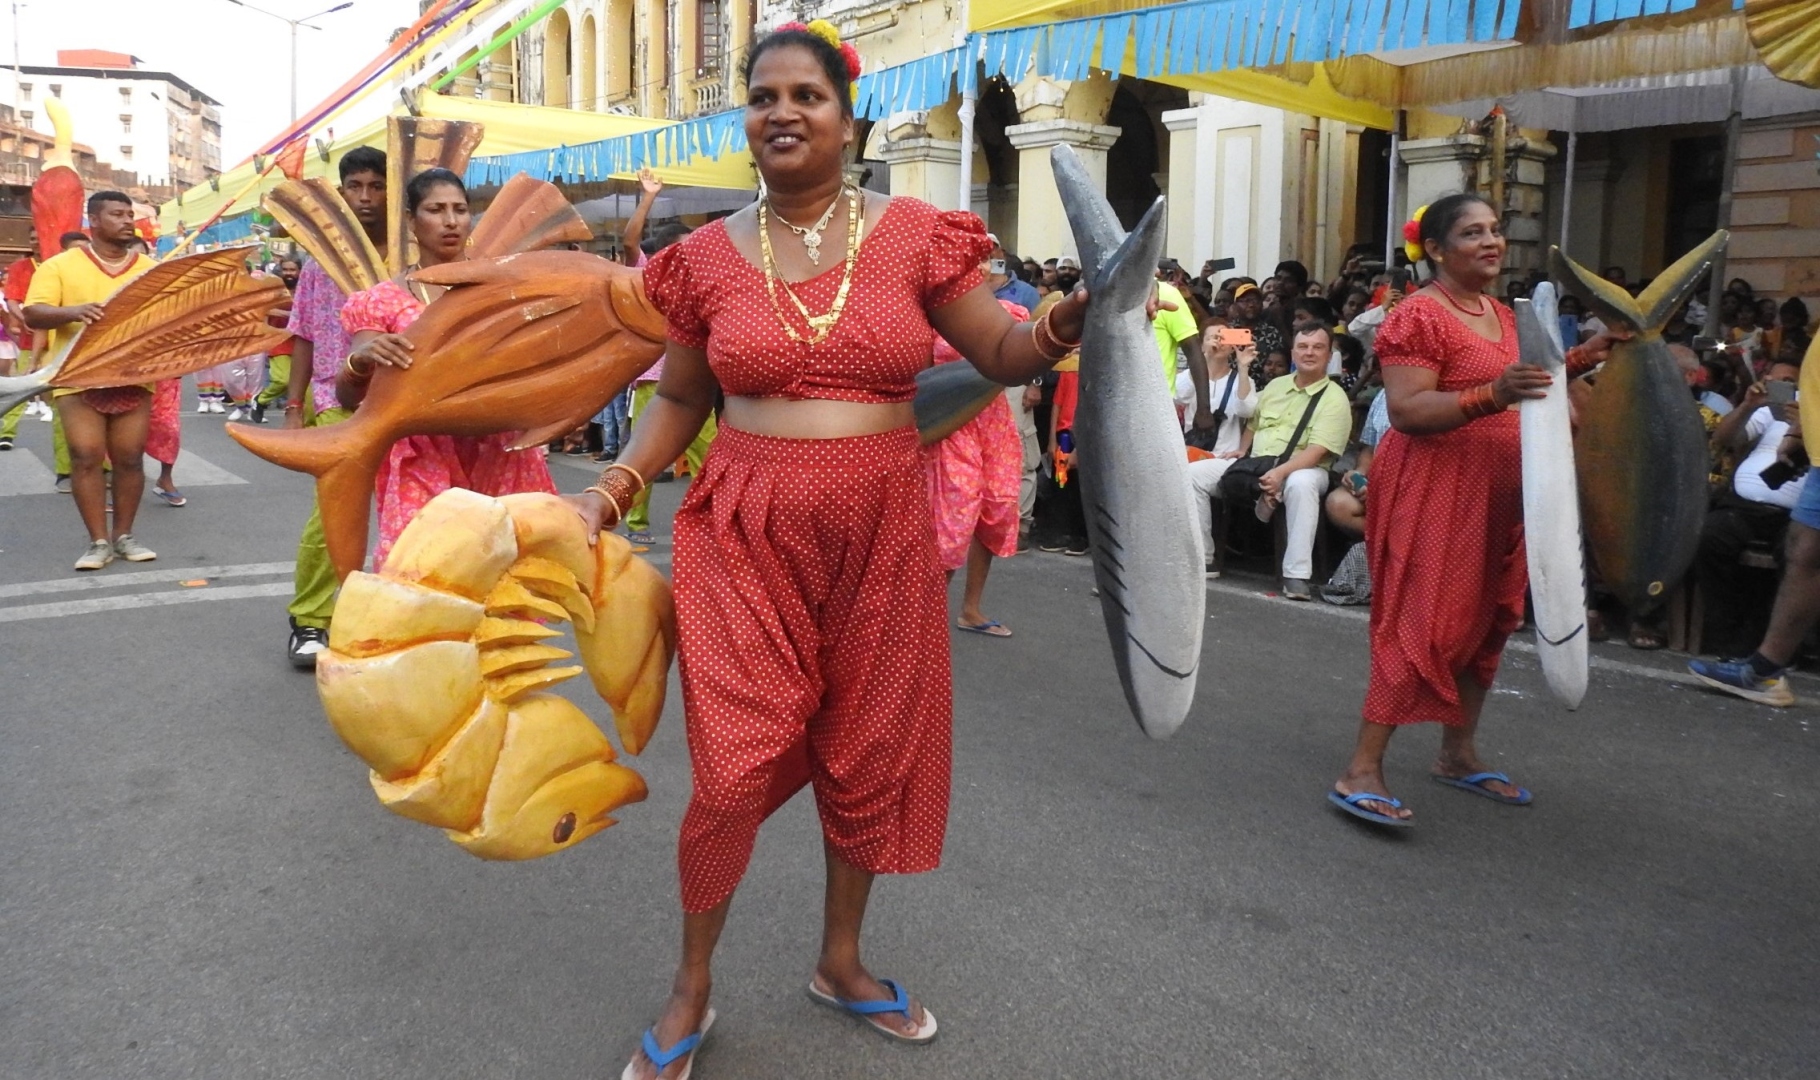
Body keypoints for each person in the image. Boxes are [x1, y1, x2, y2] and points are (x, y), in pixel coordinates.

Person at [559, 23, 1086, 1078]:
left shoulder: (913, 236)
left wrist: (1063, 326)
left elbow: (994, 352)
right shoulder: (701, 260)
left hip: (884, 527)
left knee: (866, 748)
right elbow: (677, 397)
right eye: (763, 96)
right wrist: (611, 491)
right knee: (730, 768)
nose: (782, 112)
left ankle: (839, 961)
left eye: (806, 94)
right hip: (744, 529)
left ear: (847, 118)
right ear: (744, 117)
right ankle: (690, 988)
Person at [1330, 194, 1619, 825]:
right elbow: (1408, 410)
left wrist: (1582, 358)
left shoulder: (1503, 313)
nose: (1491, 242)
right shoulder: (1416, 317)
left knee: (1491, 621)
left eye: (1494, 230)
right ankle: (1362, 768)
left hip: (1506, 492)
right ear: (1435, 249)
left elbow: (1531, 379)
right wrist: (1491, 396)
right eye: (1472, 233)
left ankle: (1457, 755)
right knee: (1421, 624)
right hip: (1436, 489)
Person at [337, 168, 558, 570]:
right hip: (420, 453)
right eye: (436, 210)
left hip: (499, 449)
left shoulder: (501, 290)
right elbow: (349, 395)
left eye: (459, 209)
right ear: (411, 221)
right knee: (423, 573)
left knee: (506, 578)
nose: (451, 220)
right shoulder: (382, 301)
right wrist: (363, 360)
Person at [282, 145, 387, 667]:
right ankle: (310, 618)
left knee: (411, 512)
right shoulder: (318, 260)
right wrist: (294, 405)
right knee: (332, 515)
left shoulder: (410, 257)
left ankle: (399, 621)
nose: (366, 197)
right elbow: (302, 332)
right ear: (342, 193)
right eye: (356, 187)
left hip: (406, 402)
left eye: (376, 185)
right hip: (335, 398)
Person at [23, 191, 159, 570]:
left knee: (130, 459)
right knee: (85, 457)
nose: (127, 220)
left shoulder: (149, 268)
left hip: (134, 375)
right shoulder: (60, 266)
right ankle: (98, 541)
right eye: (117, 214)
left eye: (130, 214)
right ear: (94, 221)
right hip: (78, 375)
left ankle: (125, 536)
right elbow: (34, 313)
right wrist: (75, 312)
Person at [1219, 322, 1351, 599]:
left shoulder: (1335, 398)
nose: (1309, 353)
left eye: (1318, 347)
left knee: (1300, 483)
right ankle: (1204, 557)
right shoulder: (1276, 385)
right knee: (1195, 473)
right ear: (1293, 352)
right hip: (1261, 461)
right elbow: (1253, 423)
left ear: (1329, 355)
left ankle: (1296, 575)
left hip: (1308, 468)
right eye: (1303, 346)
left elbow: (1317, 451)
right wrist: (1242, 451)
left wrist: (1280, 473)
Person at [926, 297, 1030, 636]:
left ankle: (971, 609)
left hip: (993, 423)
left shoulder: (1008, 312)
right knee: (955, 512)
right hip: (951, 421)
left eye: (987, 258)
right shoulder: (929, 310)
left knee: (996, 506)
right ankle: (925, 616)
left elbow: (1031, 351)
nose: (981, 265)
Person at [1694, 362, 1804, 658]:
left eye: (1787, 381)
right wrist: (1746, 406)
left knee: (1800, 559)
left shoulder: (1813, 413)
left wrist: (1804, 427)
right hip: (1743, 508)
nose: (1777, 384)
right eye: (1773, 379)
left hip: (1793, 517)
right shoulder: (1767, 412)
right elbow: (1723, 439)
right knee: (1709, 537)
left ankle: (1773, 646)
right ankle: (1724, 635)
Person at [1183, 323, 1258, 574]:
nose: (1218, 340)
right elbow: (1175, 395)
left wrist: (1244, 366)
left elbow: (1246, 410)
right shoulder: (1190, 376)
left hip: (1224, 458)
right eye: (1212, 337)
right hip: (1189, 453)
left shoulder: (1239, 380)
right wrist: (1203, 361)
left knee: (1188, 476)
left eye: (1224, 336)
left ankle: (1203, 556)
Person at [1325, 390, 1389, 539]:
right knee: (1338, 504)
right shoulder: (1382, 396)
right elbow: (1369, 447)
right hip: (1378, 482)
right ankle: (1385, 545)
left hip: (1414, 486)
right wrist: (1359, 473)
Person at [1227, 281, 1286, 388]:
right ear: (1235, 305)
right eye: (1245, 301)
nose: (1251, 305)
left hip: (1262, 391)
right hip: (1229, 391)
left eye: (1255, 300)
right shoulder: (1227, 330)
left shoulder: (1272, 334)